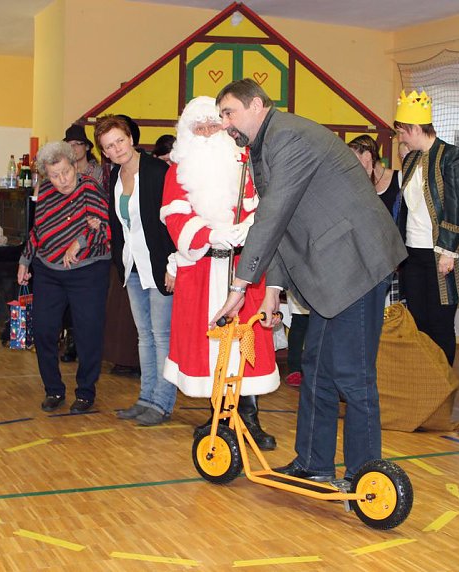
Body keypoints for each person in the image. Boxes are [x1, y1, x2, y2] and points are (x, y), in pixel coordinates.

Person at [214, 79, 407, 484]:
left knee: (353, 374)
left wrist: (240, 286)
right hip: (329, 270)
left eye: (229, 112)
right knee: (316, 367)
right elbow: (282, 222)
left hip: (355, 263)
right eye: (221, 116)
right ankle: (314, 464)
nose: (225, 123)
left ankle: (365, 477)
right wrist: (272, 289)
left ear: (256, 105)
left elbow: (272, 217)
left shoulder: (288, 137)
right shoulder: (264, 143)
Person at [161, 96, 278, 449]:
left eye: (214, 125)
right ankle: (218, 416)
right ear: (188, 132)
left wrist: (249, 230)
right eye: (200, 128)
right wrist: (211, 235)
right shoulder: (177, 172)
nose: (208, 133)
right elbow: (175, 217)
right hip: (201, 268)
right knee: (211, 346)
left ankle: (249, 417)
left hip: (244, 268)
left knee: (246, 342)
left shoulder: (247, 164)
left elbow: (267, 208)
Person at [96, 115, 178, 427]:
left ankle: (162, 402)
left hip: (160, 266)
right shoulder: (114, 175)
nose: (116, 149)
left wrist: (173, 264)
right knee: (144, 336)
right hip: (132, 266)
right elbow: (120, 225)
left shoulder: (158, 171)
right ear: (104, 152)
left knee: (162, 337)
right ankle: (145, 398)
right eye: (108, 146)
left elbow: (172, 222)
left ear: (131, 138)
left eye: (119, 141)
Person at [18, 141, 111, 413]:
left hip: (88, 271)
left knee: (87, 332)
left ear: (74, 165)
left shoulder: (90, 188)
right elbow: (38, 230)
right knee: (44, 330)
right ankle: (53, 390)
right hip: (48, 269)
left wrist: (78, 242)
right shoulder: (46, 191)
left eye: (66, 172)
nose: (62, 180)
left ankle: (85, 391)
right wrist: (25, 260)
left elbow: (104, 227)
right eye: (55, 175)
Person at [394, 90, 459, 365]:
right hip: (413, 254)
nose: (400, 138)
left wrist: (448, 252)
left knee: (440, 324)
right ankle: (425, 379)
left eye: (402, 132)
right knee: (418, 322)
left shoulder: (452, 156)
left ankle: (443, 380)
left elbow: (456, 205)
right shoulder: (411, 159)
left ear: (415, 128)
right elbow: (406, 209)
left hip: (440, 254)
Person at [60, 124, 104, 362]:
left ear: (87, 147)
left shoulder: (99, 173)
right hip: (66, 237)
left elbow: (101, 207)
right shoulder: (62, 172)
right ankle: (71, 340)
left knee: (86, 300)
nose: (74, 148)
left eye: (78, 144)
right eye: (70, 144)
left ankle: (84, 345)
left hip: (92, 239)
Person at [348, 134, 401, 216]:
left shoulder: (400, 179)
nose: (350, 164)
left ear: (367, 156)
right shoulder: (360, 187)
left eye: (353, 158)